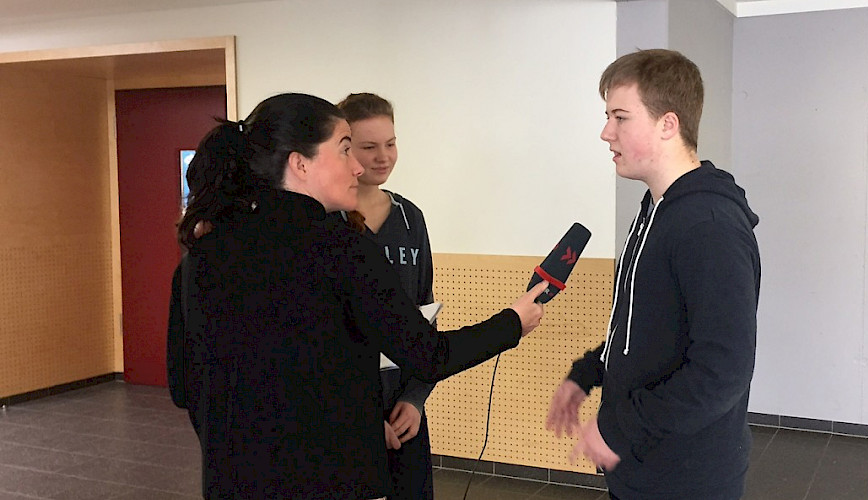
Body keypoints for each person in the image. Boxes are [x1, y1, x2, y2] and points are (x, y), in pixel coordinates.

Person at [166, 92, 547, 500]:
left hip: (232, 482)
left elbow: (183, 388)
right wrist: (512, 322)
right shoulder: (343, 250)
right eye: (346, 149)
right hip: (330, 482)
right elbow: (429, 354)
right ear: (300, 163)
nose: (358, 166)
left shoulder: (200, 257)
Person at [545, 49, 761, 500]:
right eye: (608, 117)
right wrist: (587, 373)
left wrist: (619, 426)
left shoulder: (710, 226)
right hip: (640, 468)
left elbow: (721, 373)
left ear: (668, 124)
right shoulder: (655, 210)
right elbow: (643, 329)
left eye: (620, 118)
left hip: (687, 479)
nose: (606, 133)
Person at [337, 92, 436, 500]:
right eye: (369, 147)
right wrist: (357, 416)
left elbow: (426, 316)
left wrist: (415, 399)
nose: (383, 157)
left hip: (404, 409)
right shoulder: (324, 222)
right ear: (345, 149)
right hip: (342, 413)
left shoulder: (411, 218)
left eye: (390, 144)